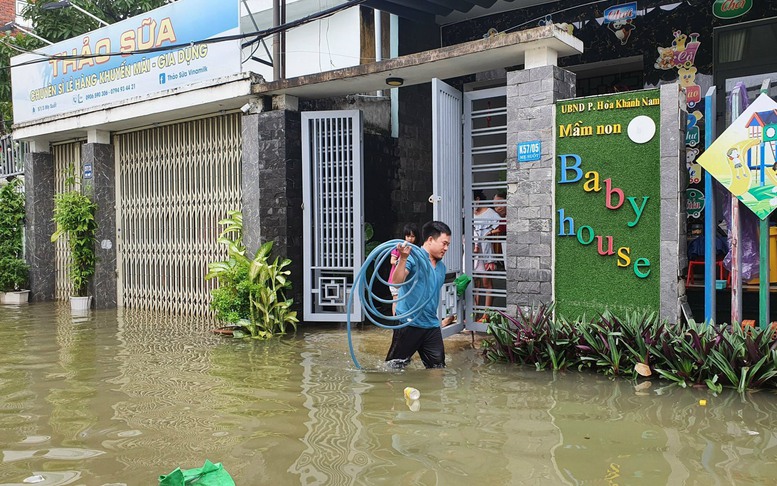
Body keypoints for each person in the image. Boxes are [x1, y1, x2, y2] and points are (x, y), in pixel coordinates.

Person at [386, 221, 454, 369]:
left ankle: (433, 393)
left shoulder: (442, 268)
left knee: (438, 369)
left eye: (448, 244)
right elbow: (396, 282)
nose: (446, 248)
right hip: (409, 323)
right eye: (444, 243)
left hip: (431, 325)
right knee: (393, 369)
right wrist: (403, 258)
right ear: (430, 240)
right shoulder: (413, 257)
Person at [472, 190, 500, 322]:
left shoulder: (490, 213)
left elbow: (502, 226)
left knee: (486, 283)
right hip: (472, 252)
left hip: (485, 252)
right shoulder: (469, 212)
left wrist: (489, 233)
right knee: (474, 283)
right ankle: (474, 314)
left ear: (477, 199)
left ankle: (486, 314)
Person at [388, 222, 419, 315]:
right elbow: (392, 260)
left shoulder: (416, 250)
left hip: (408, 281)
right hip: (395, 279)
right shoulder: (399, 248)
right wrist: (402, 261)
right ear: (404, 236)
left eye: (413, 236)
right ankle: (396, 319)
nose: (410, 239)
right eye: (408, 236)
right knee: (396, 299)